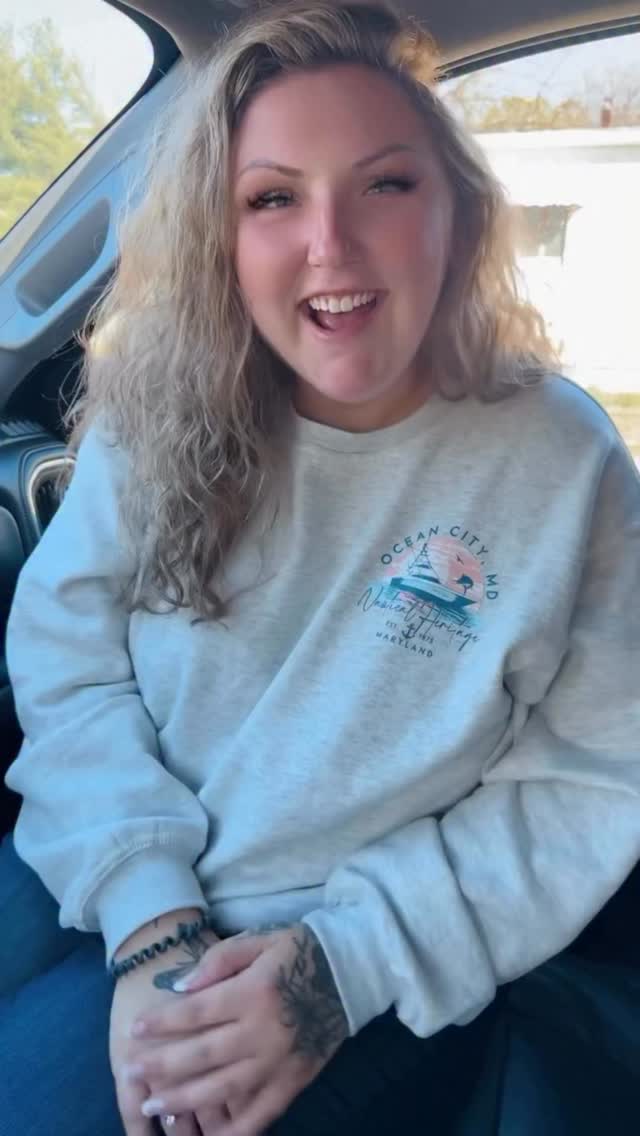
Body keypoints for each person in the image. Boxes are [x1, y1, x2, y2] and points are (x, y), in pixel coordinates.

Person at [2, 2, 639, 1134]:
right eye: (273, 198)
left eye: (385, 184)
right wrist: (152, 923)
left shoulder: (562, 459)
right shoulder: (153, 415)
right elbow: (69, 663)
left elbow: (589, 775)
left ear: (457, 212)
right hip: (108, 868)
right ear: (222, 233)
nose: (330, 245)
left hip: (371, 950)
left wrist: (334, 970)